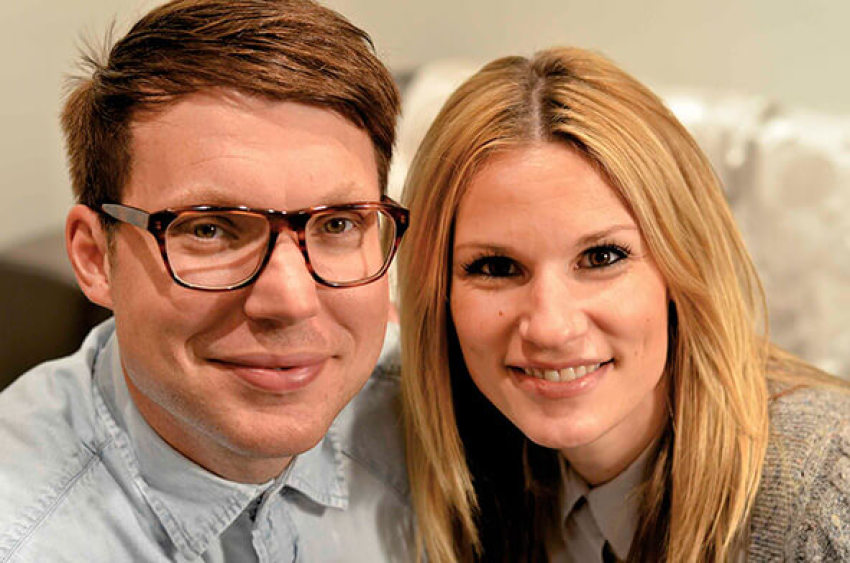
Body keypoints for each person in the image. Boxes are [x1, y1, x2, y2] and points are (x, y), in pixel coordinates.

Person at [398, 47, 850, 562]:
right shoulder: (451, 462)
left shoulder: (827, 498)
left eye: (602, 256)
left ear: (684, 267)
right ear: (436, 292)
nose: (550, 327)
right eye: (496, 268)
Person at [0, 0, 413, 560]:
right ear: (96, 258)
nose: (290, 301)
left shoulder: (434, 420)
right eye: (211, 229)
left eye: (338, 223)